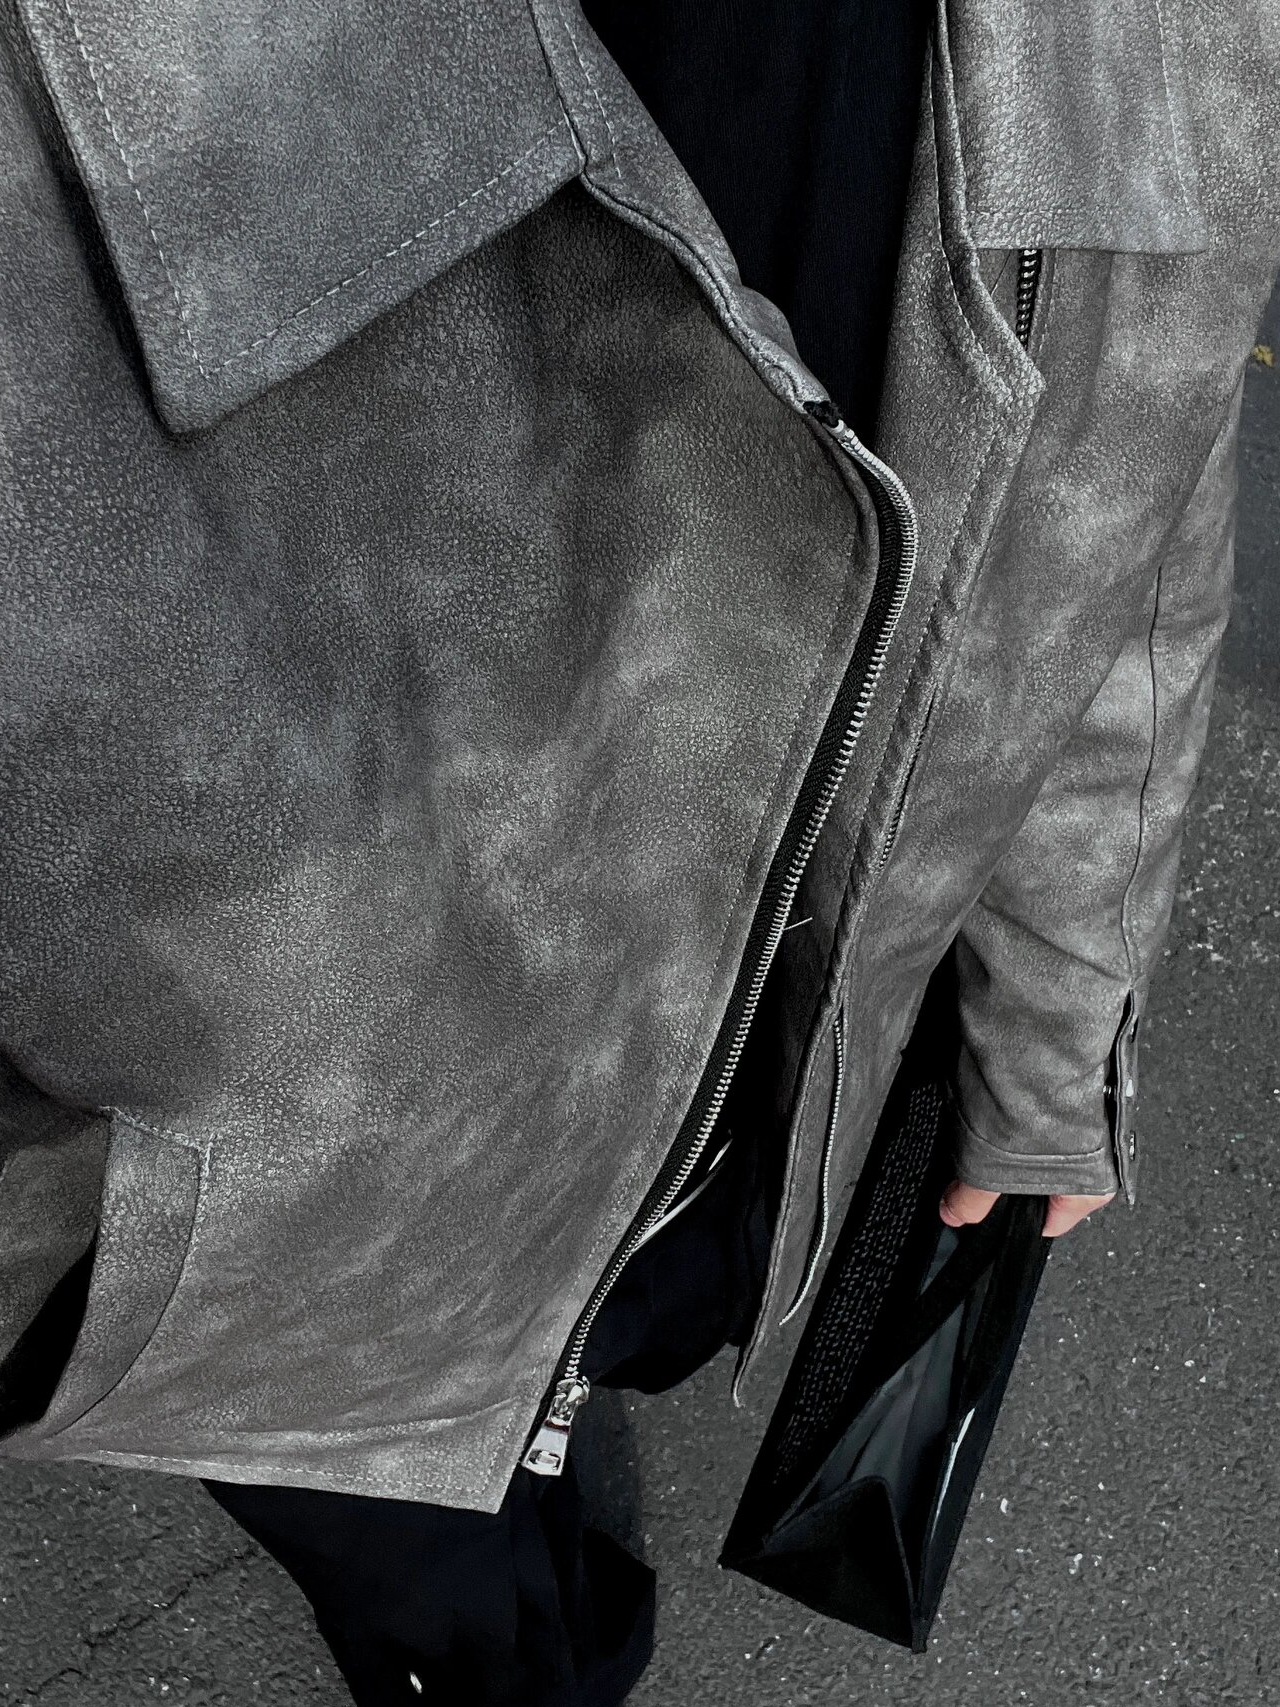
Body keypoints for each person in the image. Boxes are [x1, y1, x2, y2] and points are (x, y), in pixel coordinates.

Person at [0, 1, 1275, 1703]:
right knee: (439, 1580)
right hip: (305, 1219)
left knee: (579, 1386)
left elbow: (1130, 516)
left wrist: (1057, 1037)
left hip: (751, 1095)